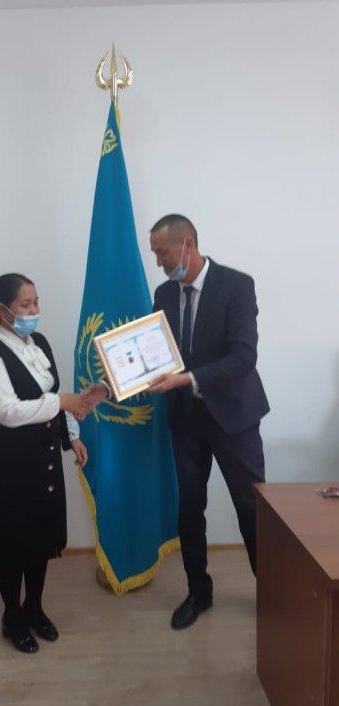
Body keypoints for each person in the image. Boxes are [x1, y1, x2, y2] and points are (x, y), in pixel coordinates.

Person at [0, 273, 103, 653]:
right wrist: (62, 402)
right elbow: (6, 411)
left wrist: (72, 435)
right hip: (7, 463)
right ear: (2, 310)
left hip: (43, 457)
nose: (34, 311)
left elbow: (53, 396)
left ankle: (35, 608)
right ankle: (12, 616)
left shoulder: (39, 343)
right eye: (25, 305)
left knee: (40, 538)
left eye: (36, 302)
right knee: (12, 543)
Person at [148, 215, 269, 630]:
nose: (158, 262)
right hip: (185, 420)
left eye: (162, 252)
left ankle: (273, 592)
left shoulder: (237, 285)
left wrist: (187, 379)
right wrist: (124, 378)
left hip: (234, 417)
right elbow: (156, 354)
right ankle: (198, 592)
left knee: (252, 508)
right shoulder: (164, 293)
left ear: (187, 244)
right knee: (189, 508)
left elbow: (243, 357)